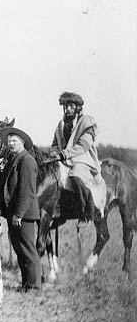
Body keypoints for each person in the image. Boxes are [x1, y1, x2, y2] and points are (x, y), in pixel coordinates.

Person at [0, 127, 41, 292]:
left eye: (14, 140)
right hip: (15, 214)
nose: (10, 143)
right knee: (19, 249)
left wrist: (19, 214)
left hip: (24, 214)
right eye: (9, 141)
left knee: (28, 249)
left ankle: (34, 286)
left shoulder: (27, 161)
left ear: (22, 142)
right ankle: (26, 284)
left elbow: (27, 190)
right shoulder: (14, 160)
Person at [50, 92, 101, 225]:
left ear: (78, 107)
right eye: (65, 106)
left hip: (83, 158)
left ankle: (87, 211)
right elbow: (55, 144)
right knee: (53, 176)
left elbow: (83, 146)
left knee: (75, 176)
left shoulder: (87, 122)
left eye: (71, 106)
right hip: (65, 158)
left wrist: (64, 154)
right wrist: (56, 153)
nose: (67, 109)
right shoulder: (61, 125)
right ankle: (59, 210)